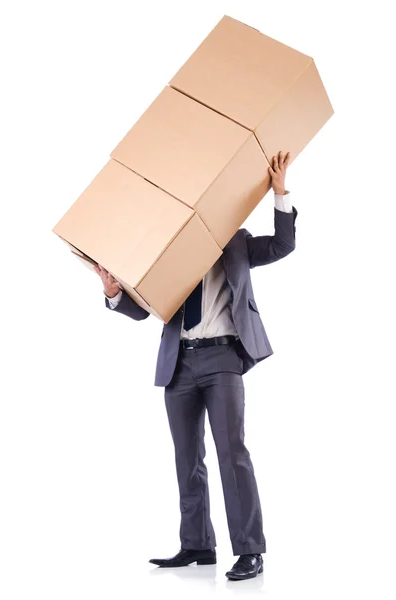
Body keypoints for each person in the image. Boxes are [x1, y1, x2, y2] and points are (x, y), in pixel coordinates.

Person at [94, 150, 297, 581]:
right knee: (187, 457)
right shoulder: (167, 248)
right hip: (179, 364)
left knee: (231, 453)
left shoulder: (237, 241)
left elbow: (282, 245)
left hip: (224, 357)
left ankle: (250, 550)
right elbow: (143, 309)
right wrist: (114, 293)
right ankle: (198, 545)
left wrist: (279, 193)